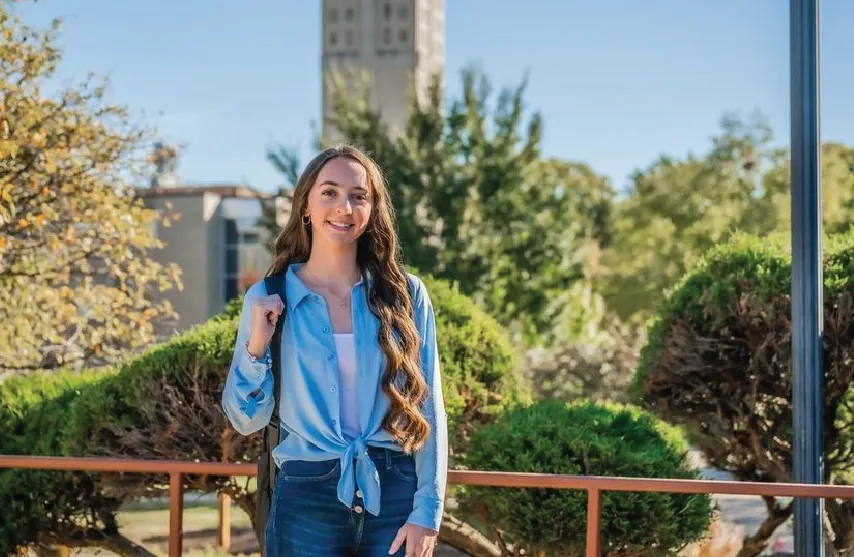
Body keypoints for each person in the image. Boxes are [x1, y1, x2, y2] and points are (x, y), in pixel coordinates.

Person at [221, 145, 448, 557]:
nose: (344, 207)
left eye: (358, 196)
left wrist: (427, 511)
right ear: (306, 205)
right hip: (305, 497)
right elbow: (245, 420)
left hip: (395, 494)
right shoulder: (269, 297)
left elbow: (430, 408)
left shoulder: (407, 295)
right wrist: (257, 347)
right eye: (329, 192)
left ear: (372, 209)